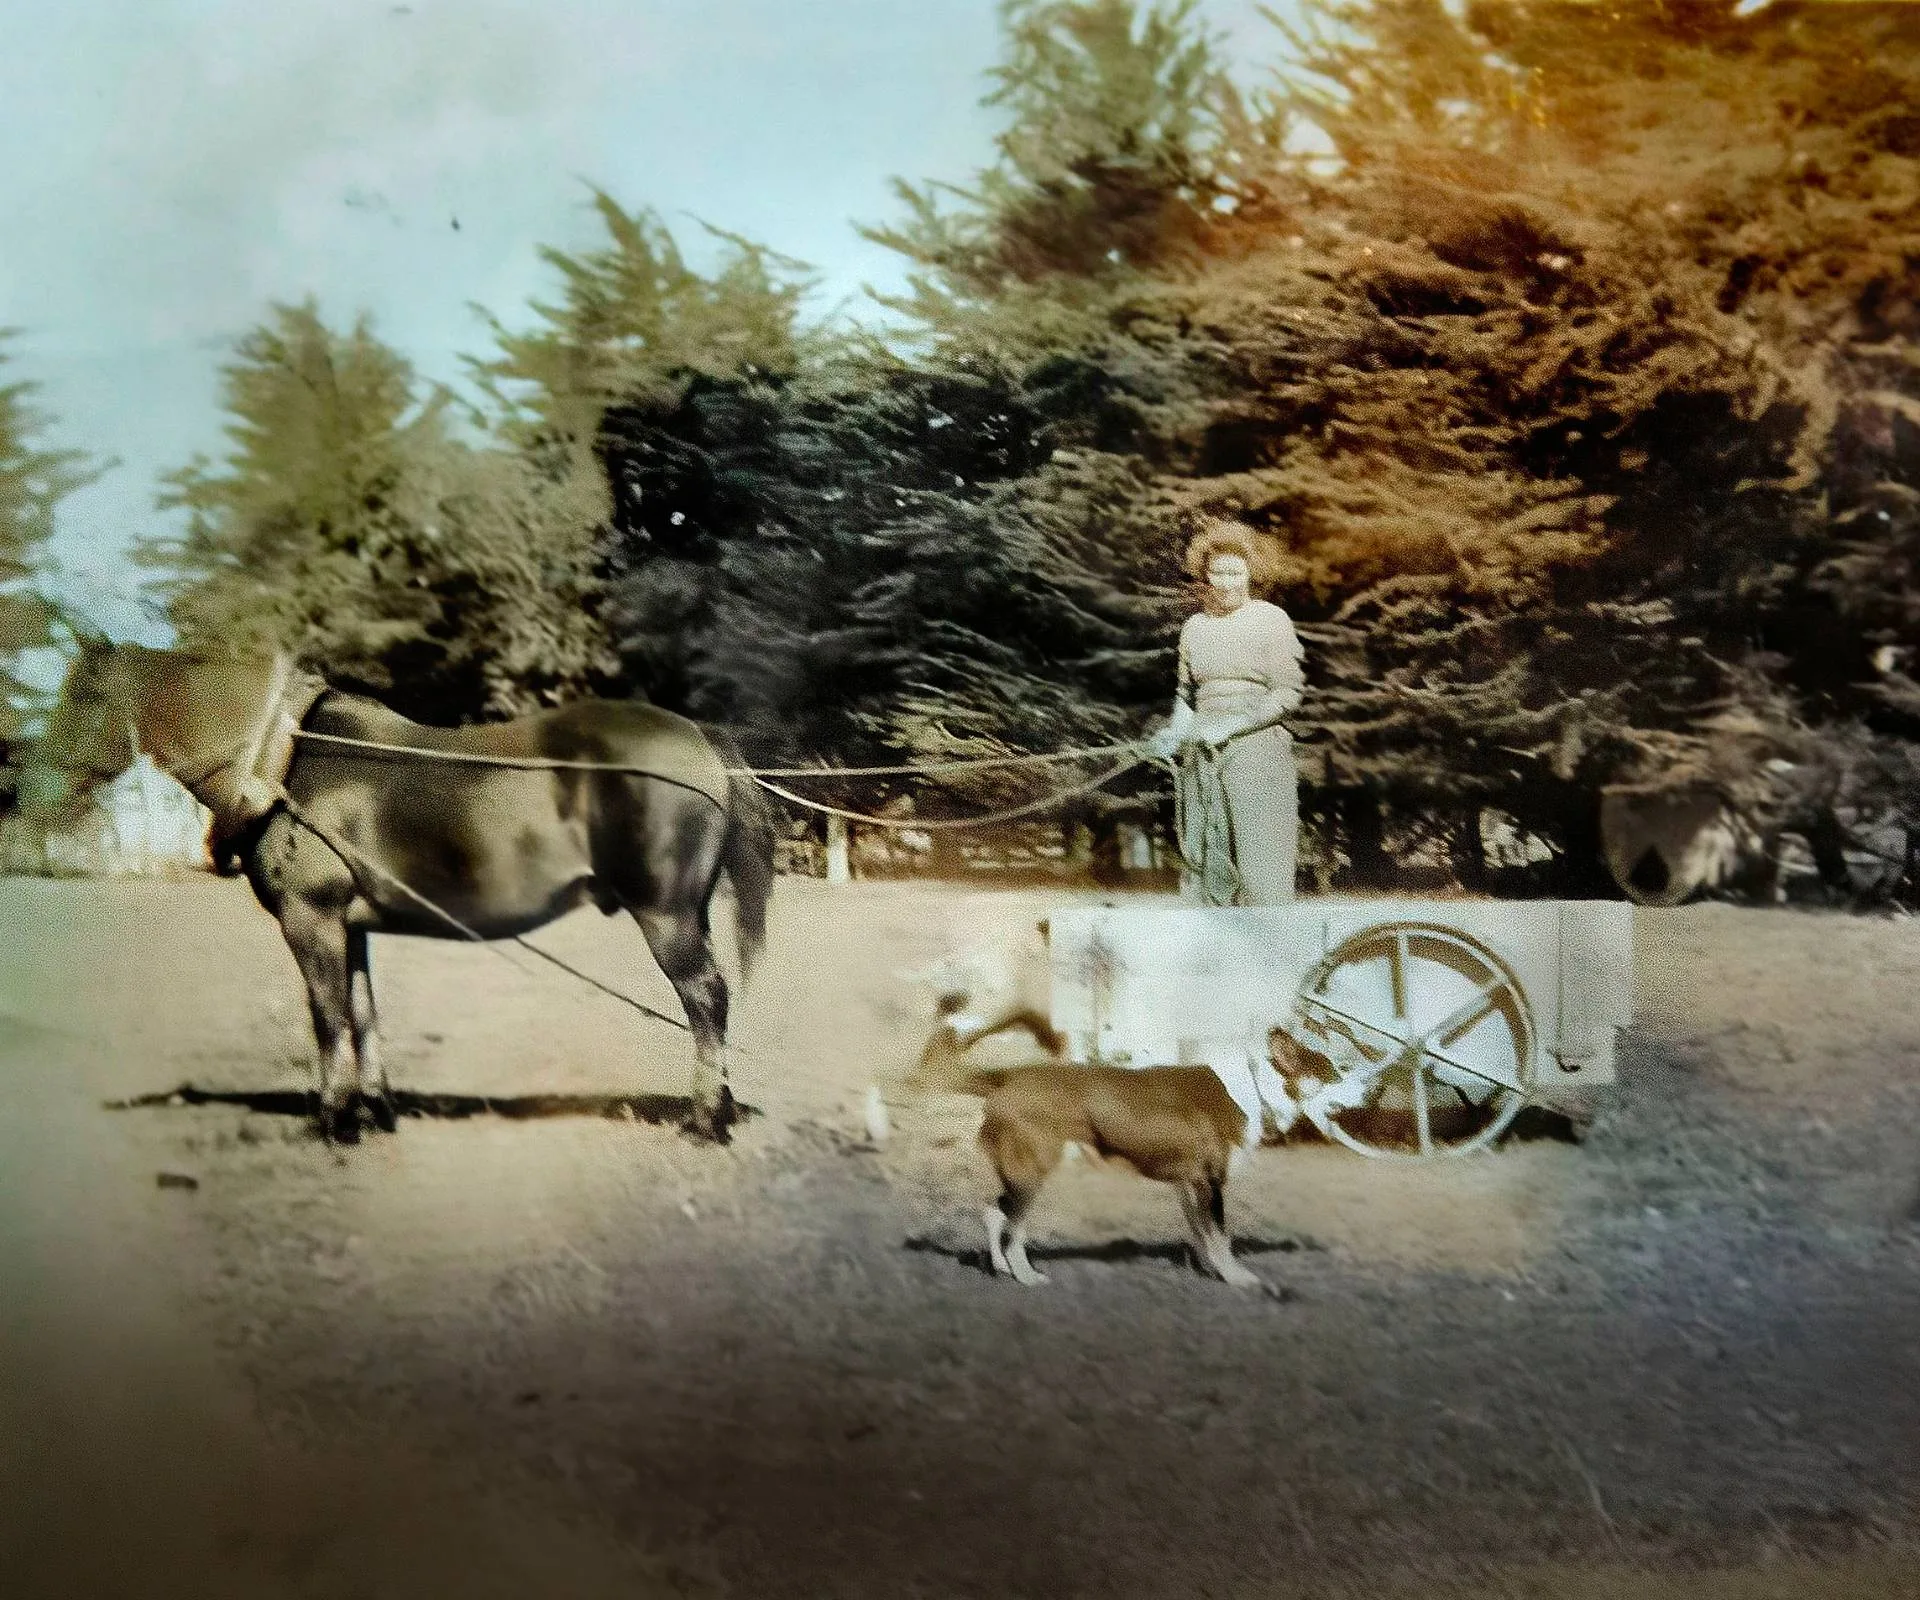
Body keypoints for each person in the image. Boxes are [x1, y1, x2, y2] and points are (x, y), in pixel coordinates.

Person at [1146, 518, 1306, 905]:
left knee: (1259, 861)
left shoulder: (1271, 620)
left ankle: (1269, 932)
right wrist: (1174, 733)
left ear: (1251, 573)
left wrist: (1232, 726)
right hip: (1201, 754)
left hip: (1257, 750)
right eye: (1217, 573)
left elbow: (1288, 693)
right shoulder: (1194, 628)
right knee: (1203, 855)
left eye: (1235, 572)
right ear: (1206, 577)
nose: (1226, 582)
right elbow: (1186, 697)